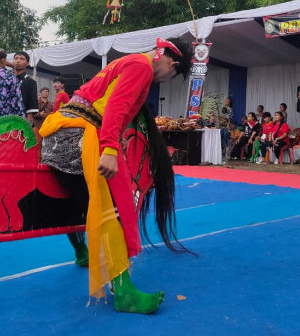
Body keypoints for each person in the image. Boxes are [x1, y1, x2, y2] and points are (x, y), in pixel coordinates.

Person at [39, 37, 192, 314]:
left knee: (86, 202)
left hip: (59, 138)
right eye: (172, 74)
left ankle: (83, 253)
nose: (167, 78)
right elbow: (116, 107)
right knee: (114, 208)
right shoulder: (141, 65)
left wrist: (112, 140)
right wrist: (109, 148)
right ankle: (123, 292)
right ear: (172, 61)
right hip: (78, 139)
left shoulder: (126, 62)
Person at [11, 51, 39, 124]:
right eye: (16, 58)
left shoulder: (30, 82)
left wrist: (27, 122)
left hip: (19, 118)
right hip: (2, 117)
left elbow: (31, 103)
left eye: (22, 59)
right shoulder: (6, 78)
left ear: (27, 63)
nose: (18, 61)